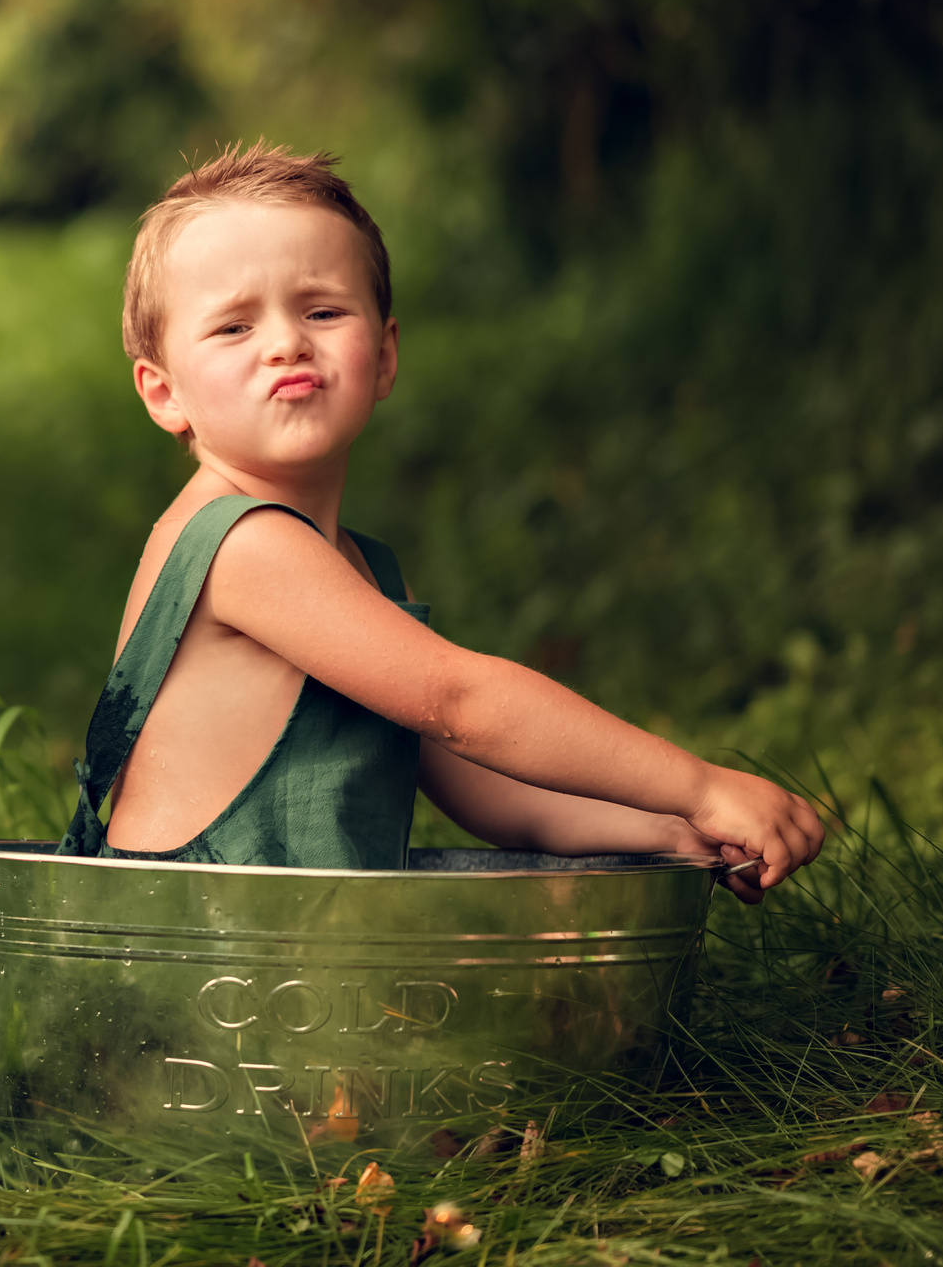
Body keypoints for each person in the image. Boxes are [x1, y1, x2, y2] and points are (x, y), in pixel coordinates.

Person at [58, 146, 825, 897]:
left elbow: (491, 785)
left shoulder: (356, 571)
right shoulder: (241, 544)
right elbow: (463, 704)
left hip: (283, 968)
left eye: (322, 311)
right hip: (185, 957)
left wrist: (663, 827)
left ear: (385, 355)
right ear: (164, 395)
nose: (287, 342)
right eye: (233, 328)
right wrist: (696, 783)